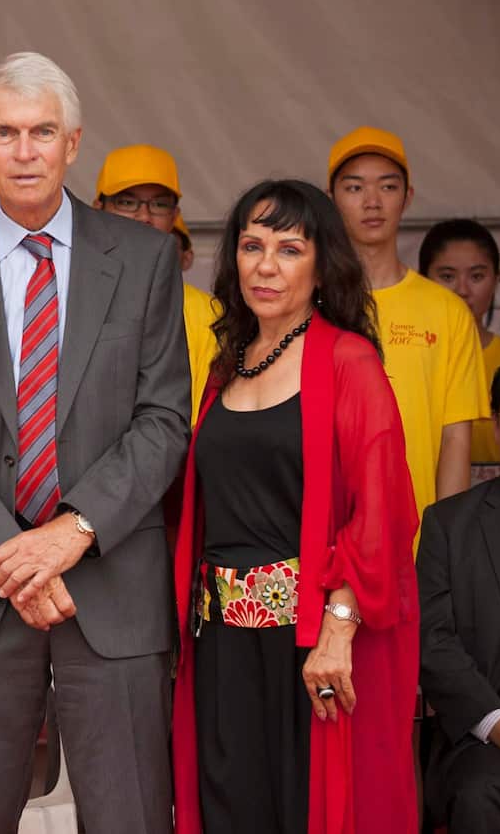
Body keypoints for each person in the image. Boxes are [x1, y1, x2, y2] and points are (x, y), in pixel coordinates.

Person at [0, 52, 190, 834]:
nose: (25, 151)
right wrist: (14, 558)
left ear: (74, 142)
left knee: (129, 818)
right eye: (6, 133)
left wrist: (71, 531)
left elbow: (164, 419)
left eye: (43, 132)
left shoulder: (146, 260)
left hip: (112, 587)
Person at [171, 179, 420, 834]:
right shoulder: (228, 366)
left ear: (321, 265)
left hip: (310, 638)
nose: (266, 266)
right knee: (231, 808)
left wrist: (338, 627)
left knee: (307, 808)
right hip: (222, 640)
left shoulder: (349, 361)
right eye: (252, 246)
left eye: (289, 249)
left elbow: (383, 509)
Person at [328, 126, 489, 530]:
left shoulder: (447, 311)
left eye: (387, 186)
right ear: (331, 199)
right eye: (354, 188)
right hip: (327, 539)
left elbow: (455, 440)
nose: (372, 202)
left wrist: (445, 546)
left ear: (407, 197)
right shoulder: (312, 304)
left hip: (415, 542)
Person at [418, 367, 500, 832]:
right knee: (478, 793)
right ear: (498, 427)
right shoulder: (449, 526)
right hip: (482, 739)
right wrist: (495, 722)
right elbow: (433, 643)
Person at [93, 143, 217, 424]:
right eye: (127, 202)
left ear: (174, 216)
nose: (144, 217)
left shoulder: (208, 312)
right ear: (98, 208)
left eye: (159, 204)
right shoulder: (68, 291)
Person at [418, 220, 500, 464]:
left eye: (477, 276)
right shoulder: (409, 360)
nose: (462, 290)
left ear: (496, 280)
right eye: (447, 276)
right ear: (422, 281)